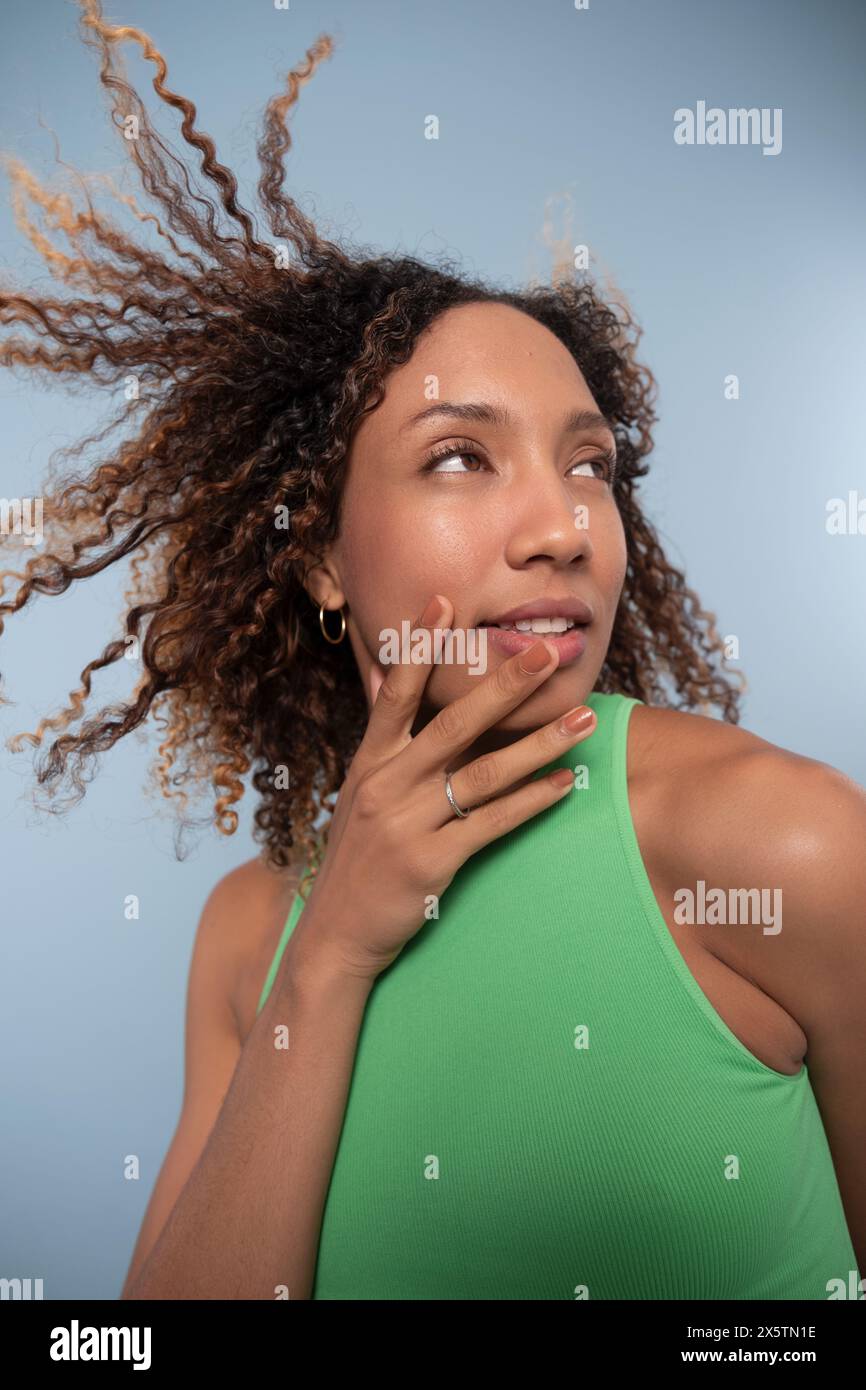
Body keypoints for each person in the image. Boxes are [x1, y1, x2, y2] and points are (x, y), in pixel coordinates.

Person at [2, 2, 863, 1300]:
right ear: (320, 561)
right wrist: (334, 942)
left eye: (590, 466)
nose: (564, 527)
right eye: (461, 457)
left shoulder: (782, 842)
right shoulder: (251, 933)